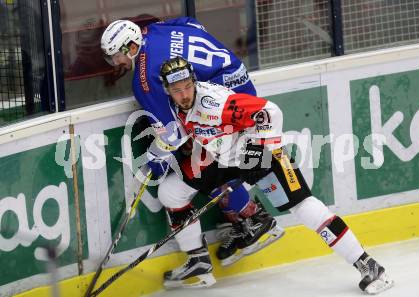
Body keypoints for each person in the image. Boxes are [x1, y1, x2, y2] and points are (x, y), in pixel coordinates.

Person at [154, 56, 394, 294]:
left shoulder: (213, 103)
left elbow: (268, 112)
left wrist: (257, 152)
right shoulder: (174, 108)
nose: (184, 94)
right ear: (167, 90)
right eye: (177, 90)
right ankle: (198, 262)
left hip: (265, 153)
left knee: (304, 207)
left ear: (194, 82)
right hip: (224, 159)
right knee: (170, 192)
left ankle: (367, 264)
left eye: (188, 87)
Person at [100, 17, 284, 288]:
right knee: (203, 159)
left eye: (116, 57)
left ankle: (254, 221)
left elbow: (171, 134)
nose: (116, 64)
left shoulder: (144, 79)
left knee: (204, 163)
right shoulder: (156, 29)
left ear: (130, 46)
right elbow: (193, 24)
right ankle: (241, 225)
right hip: (240, 89)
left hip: (220, 108)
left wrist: (155, 160)